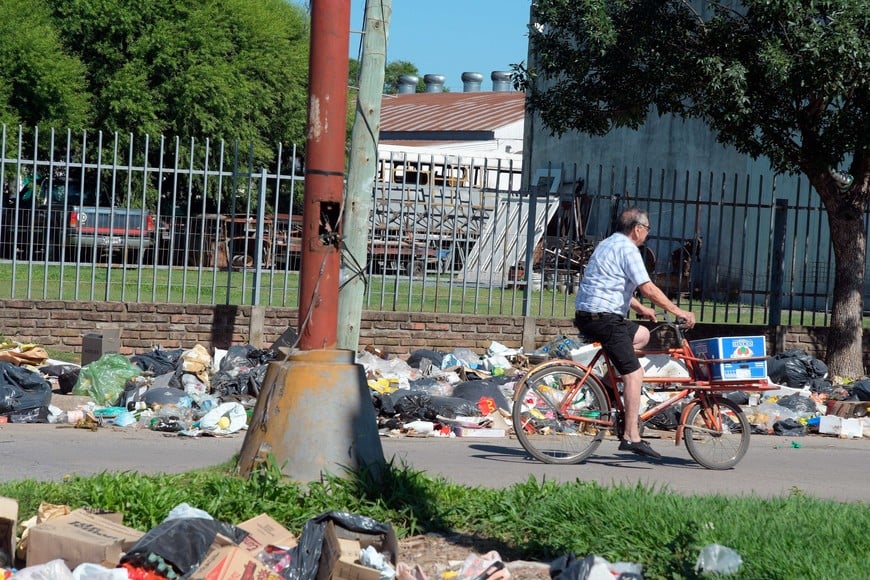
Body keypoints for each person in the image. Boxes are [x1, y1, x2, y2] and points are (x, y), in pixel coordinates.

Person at [574, 207, 696, 459]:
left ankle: (607, 388)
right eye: (647, 229)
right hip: (605, 318)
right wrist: (678, 311)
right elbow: (648, 287)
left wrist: (641, 308)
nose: (647, 234)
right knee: (634, 373)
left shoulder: (607, 244)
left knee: (642, 335)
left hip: (590, 314)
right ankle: (631, 436)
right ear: (637, 228)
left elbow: (610, 284)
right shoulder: (628, 249)